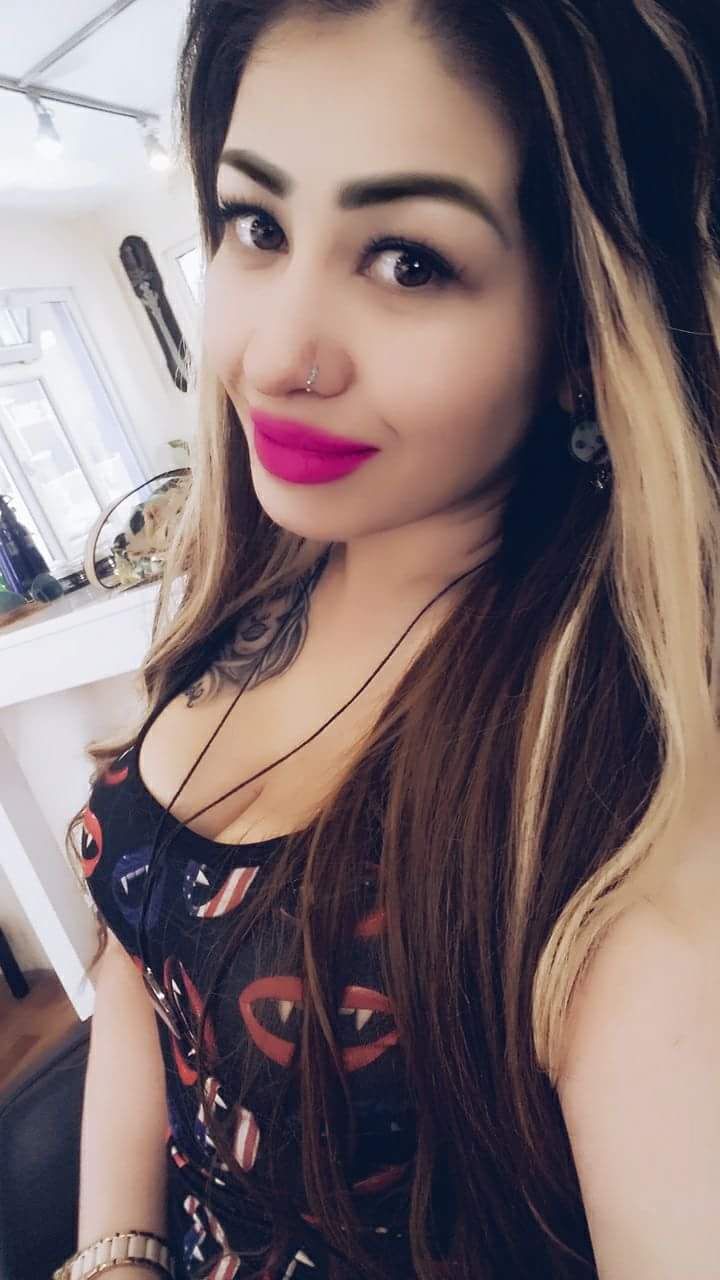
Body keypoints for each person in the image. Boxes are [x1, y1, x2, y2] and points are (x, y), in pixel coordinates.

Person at [60, 2, 720, 1278]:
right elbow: (142, 952)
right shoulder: (251, 586)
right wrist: (116, 1252)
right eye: (258, 225)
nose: (276, 357)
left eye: (410, 261)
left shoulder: (612, 800)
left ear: (581, 334)